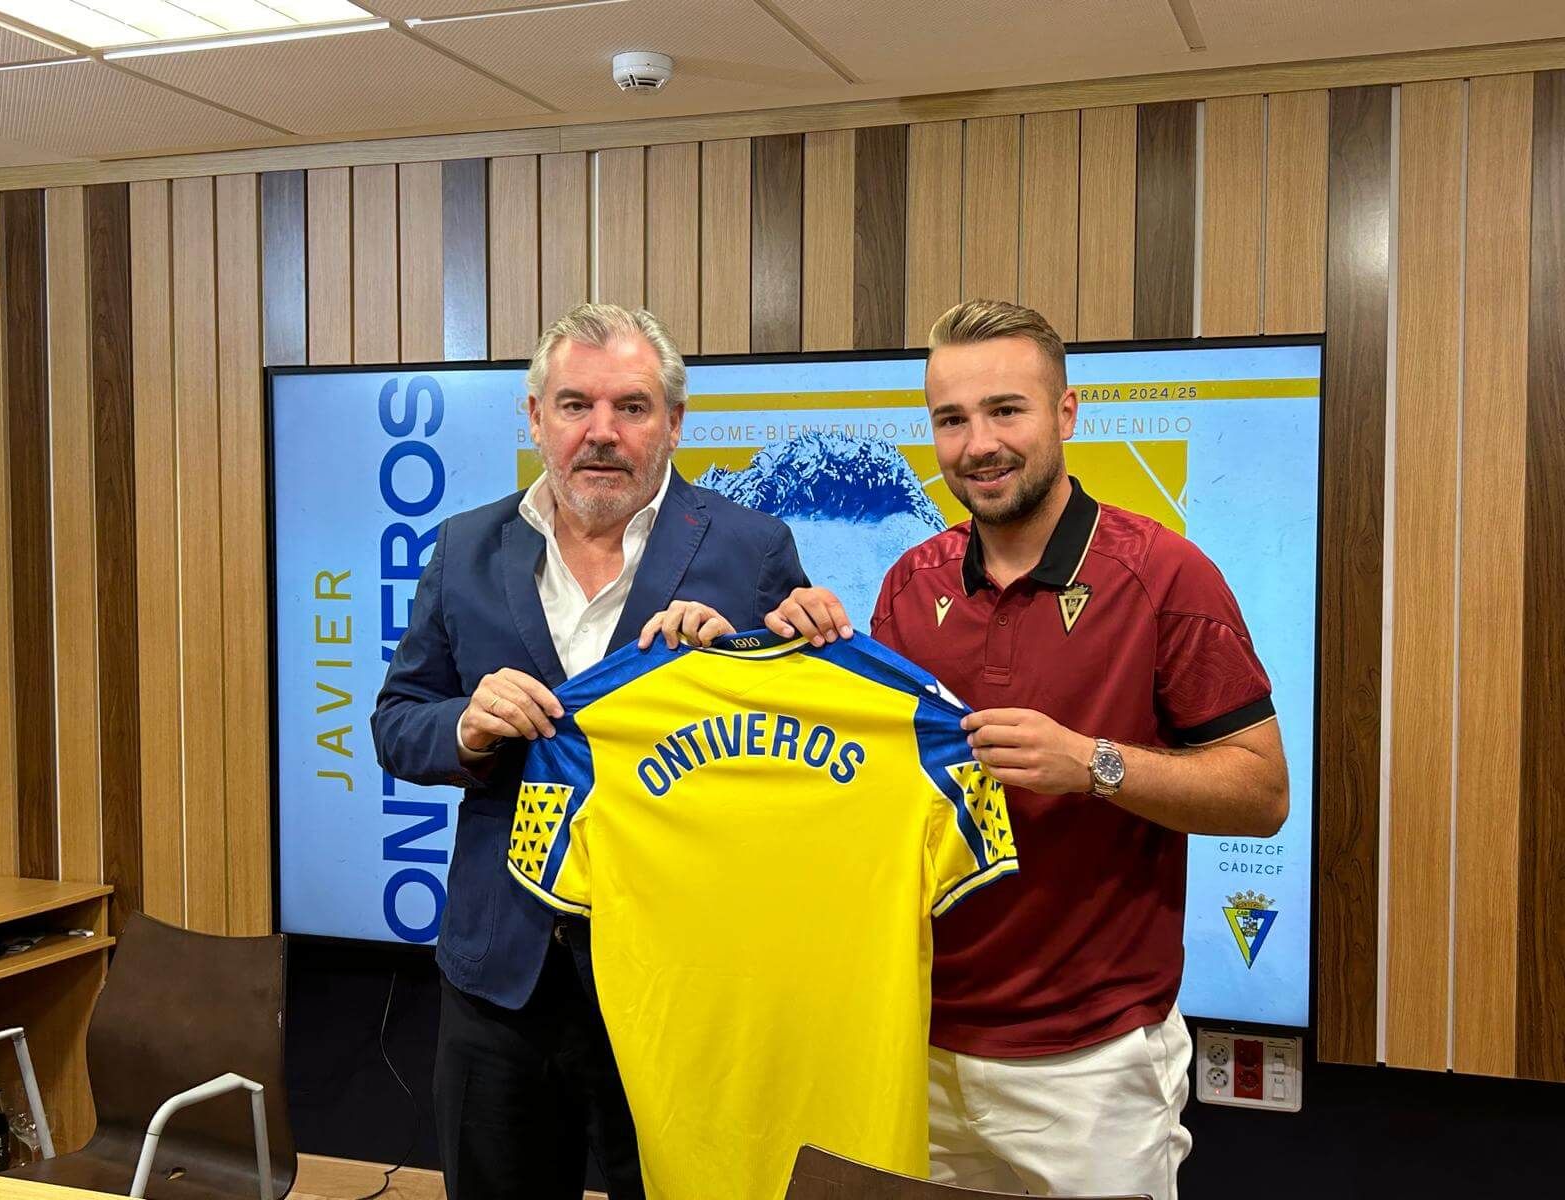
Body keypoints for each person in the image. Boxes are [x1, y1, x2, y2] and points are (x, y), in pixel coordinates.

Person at [765, 299, 1289, 1200]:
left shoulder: (1166, 575)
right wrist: (795, 655)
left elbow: (1261, 792)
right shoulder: (911, 579)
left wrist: (1095, 764)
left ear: (1067, 414)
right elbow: (875, 780)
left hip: (1090, 1066)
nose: (979, 444)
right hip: (916, 1037)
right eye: (952, 419)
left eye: (1006, 410)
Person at [372, 302, 809, 1200]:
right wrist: (463, 724)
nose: (601, 434)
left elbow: (802, 753)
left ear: (675, 423)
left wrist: (734, 668)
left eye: (632, 408)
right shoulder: (462, 547)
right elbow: (396, 721)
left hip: (681, 982)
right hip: (501, 980)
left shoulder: (751, 549)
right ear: (535, 417)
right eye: (575, 406)